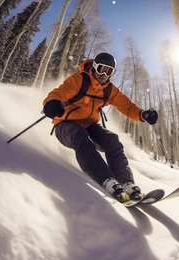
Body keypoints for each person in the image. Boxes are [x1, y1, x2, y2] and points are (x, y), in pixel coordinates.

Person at [42, 52, 158, 202]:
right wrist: (51, 102)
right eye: (101, 69)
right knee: (80, 137)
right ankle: (107, 180)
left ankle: (127, 183)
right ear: (94, 67)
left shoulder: (109, 90)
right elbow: (58, 93)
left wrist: (143, 115)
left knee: (112, 140)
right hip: (65, 125)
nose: (103, 74)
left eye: (109, 71)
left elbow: (127, 107)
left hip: (89, 125)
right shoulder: (80, 80)